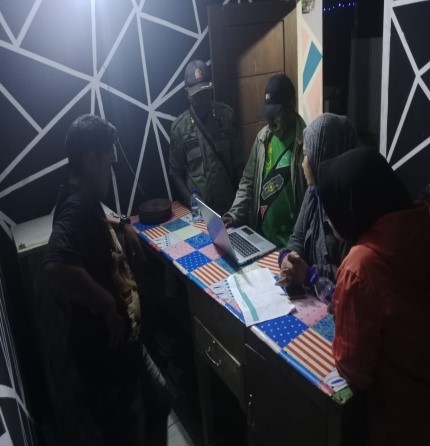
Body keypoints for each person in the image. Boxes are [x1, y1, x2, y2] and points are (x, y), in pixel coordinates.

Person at [44, 114, 169, 446]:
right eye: (109, 163)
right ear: (91, 159)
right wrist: (104, 302)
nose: (111, 173)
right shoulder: (75, 207)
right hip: (107, 357)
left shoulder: (79, 196)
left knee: (159, 400)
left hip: (126, 345)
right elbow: (55, 264)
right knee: (130, 428)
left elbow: (97, 215)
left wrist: (123, 222)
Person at [317, 147, 430, 446]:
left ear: (353, 204)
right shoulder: (421, 222)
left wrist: (344, 310)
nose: (327, 218)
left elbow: (353, 369)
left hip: (399, 418)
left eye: (331, 208)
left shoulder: (361, 266)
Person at [223, 74, 306, 248]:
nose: (270, 121)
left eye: (276, 114)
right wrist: (234, 213)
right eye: (268, 114)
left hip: (293, 246)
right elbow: (248, 181)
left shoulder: (306, 142)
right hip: (263, 240)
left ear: (291, 105)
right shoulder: (263, 138)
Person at [277, 113, 357, 290]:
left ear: (322, 157)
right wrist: (288, 258)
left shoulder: (351, 205)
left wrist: (311, 274)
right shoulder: (314, 192)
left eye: (307, 155)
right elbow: (297, 237)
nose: (302, 163)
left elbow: (352, 277)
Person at [169, 60, 244, 215]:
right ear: (187, 94)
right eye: (196, 95)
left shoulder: (226, 116)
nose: (202, 100)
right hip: (199, 211)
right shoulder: (180, 128)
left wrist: (240, 204)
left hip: (230, 206)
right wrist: (192, 203)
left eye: (205, 93)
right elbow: (176, 172)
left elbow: (240, 164)